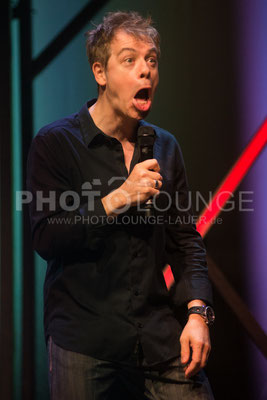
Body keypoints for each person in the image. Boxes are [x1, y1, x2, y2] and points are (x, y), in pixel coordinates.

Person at [27, 11, 215, 400]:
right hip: (86, 341)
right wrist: (118, 198)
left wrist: (198, 313)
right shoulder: (55, 143)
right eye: (130, 60)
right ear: (100, 73)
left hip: (158, 337)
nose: (145, 70)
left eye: (151, 59)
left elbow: (186, 241)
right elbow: (46, 236)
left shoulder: (165, 146)